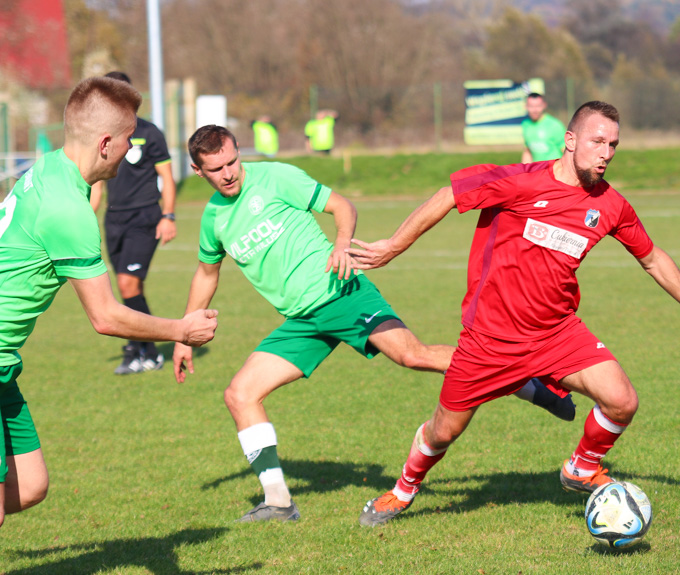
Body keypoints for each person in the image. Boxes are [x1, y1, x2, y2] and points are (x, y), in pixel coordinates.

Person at [347, 101, 680, 527]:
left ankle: (580, 467)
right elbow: (450, 195)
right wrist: (393, 246)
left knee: (622, 401)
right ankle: (404, 489)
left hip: (557, 334)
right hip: (490, 339)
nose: (606, 152)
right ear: (570, 141)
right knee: (442, 432)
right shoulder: (517, 181)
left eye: (613, 144)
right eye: (597, 141)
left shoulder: (611, 205)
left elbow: (652, 259)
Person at [172, 125, 573, 524]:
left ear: (238, 151)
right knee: (240, 394)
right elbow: (207, 274)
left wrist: (342, 242)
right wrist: (183, 336)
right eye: (216, 169)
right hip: (302, 319)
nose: (228, 173)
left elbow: (343, 206)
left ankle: (526, 379)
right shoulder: (214, 219)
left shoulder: (276, 177)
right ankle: (277, 502)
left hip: (342, 294)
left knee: (412, 355)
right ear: (196, 169)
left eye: (232, 161)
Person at [0, 76, 219, 529]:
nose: (130, 149)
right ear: (105, 143)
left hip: (5, 363)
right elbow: (104, 316)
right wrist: (181, 330)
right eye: (126, 140)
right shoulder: (68, 209)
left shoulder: (49, 170)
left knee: (30, 484)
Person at [89, 71, 178, 375]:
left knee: (128, 284)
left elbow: (166, 177)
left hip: (145, 217)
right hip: (114, 219)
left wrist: (168, 216)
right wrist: (86, 218)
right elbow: (98, 185)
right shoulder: (103, 137)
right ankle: (139, 349)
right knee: (127, 288)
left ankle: (146, 351)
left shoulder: (150, 132)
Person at [521, 93, 566, 163]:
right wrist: (524, 171)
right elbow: (527, 151)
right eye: (531, 106)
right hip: (537, 171)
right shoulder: (525, 124)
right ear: (526, 106)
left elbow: (567, 152)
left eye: (538, 106)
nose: (535, 110)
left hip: (554, 171)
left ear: (544, 105)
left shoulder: (555, 125)